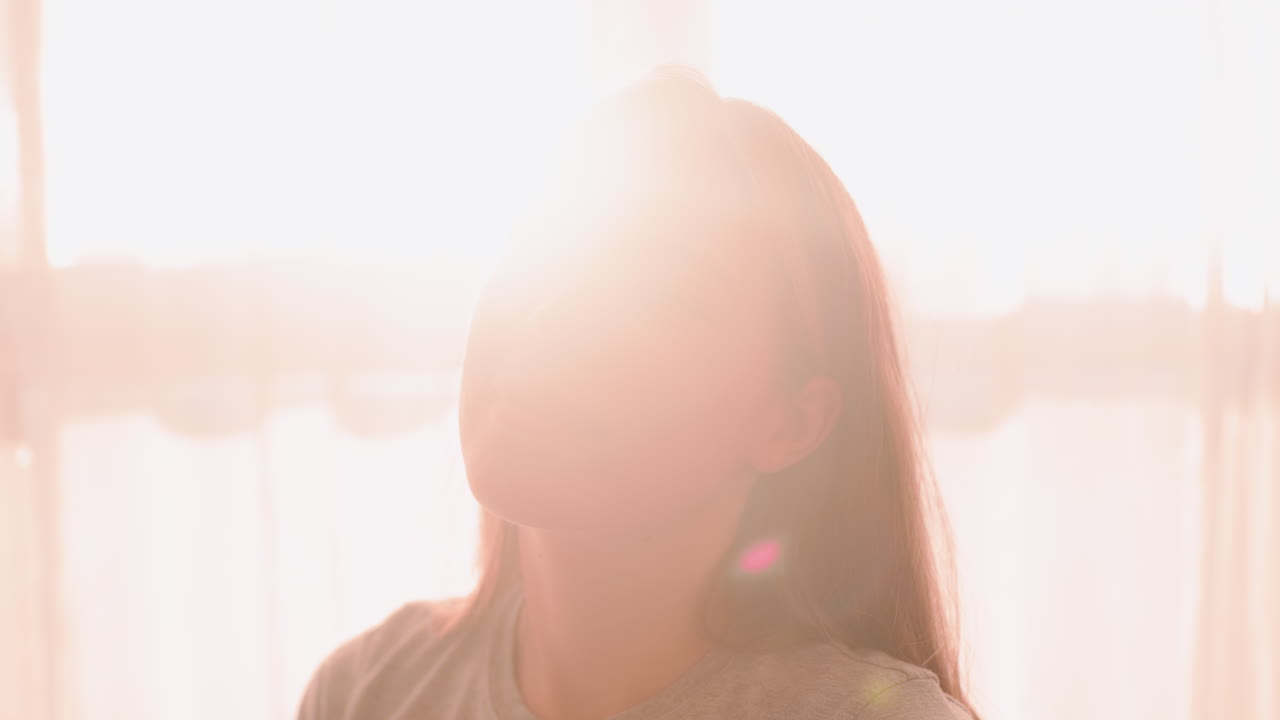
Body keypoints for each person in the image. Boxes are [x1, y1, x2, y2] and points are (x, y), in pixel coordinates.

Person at [297, 67, 977, 720]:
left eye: (658, 287)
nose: (552, 312)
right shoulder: (368, 693)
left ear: (789, 424)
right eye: (542, 247)